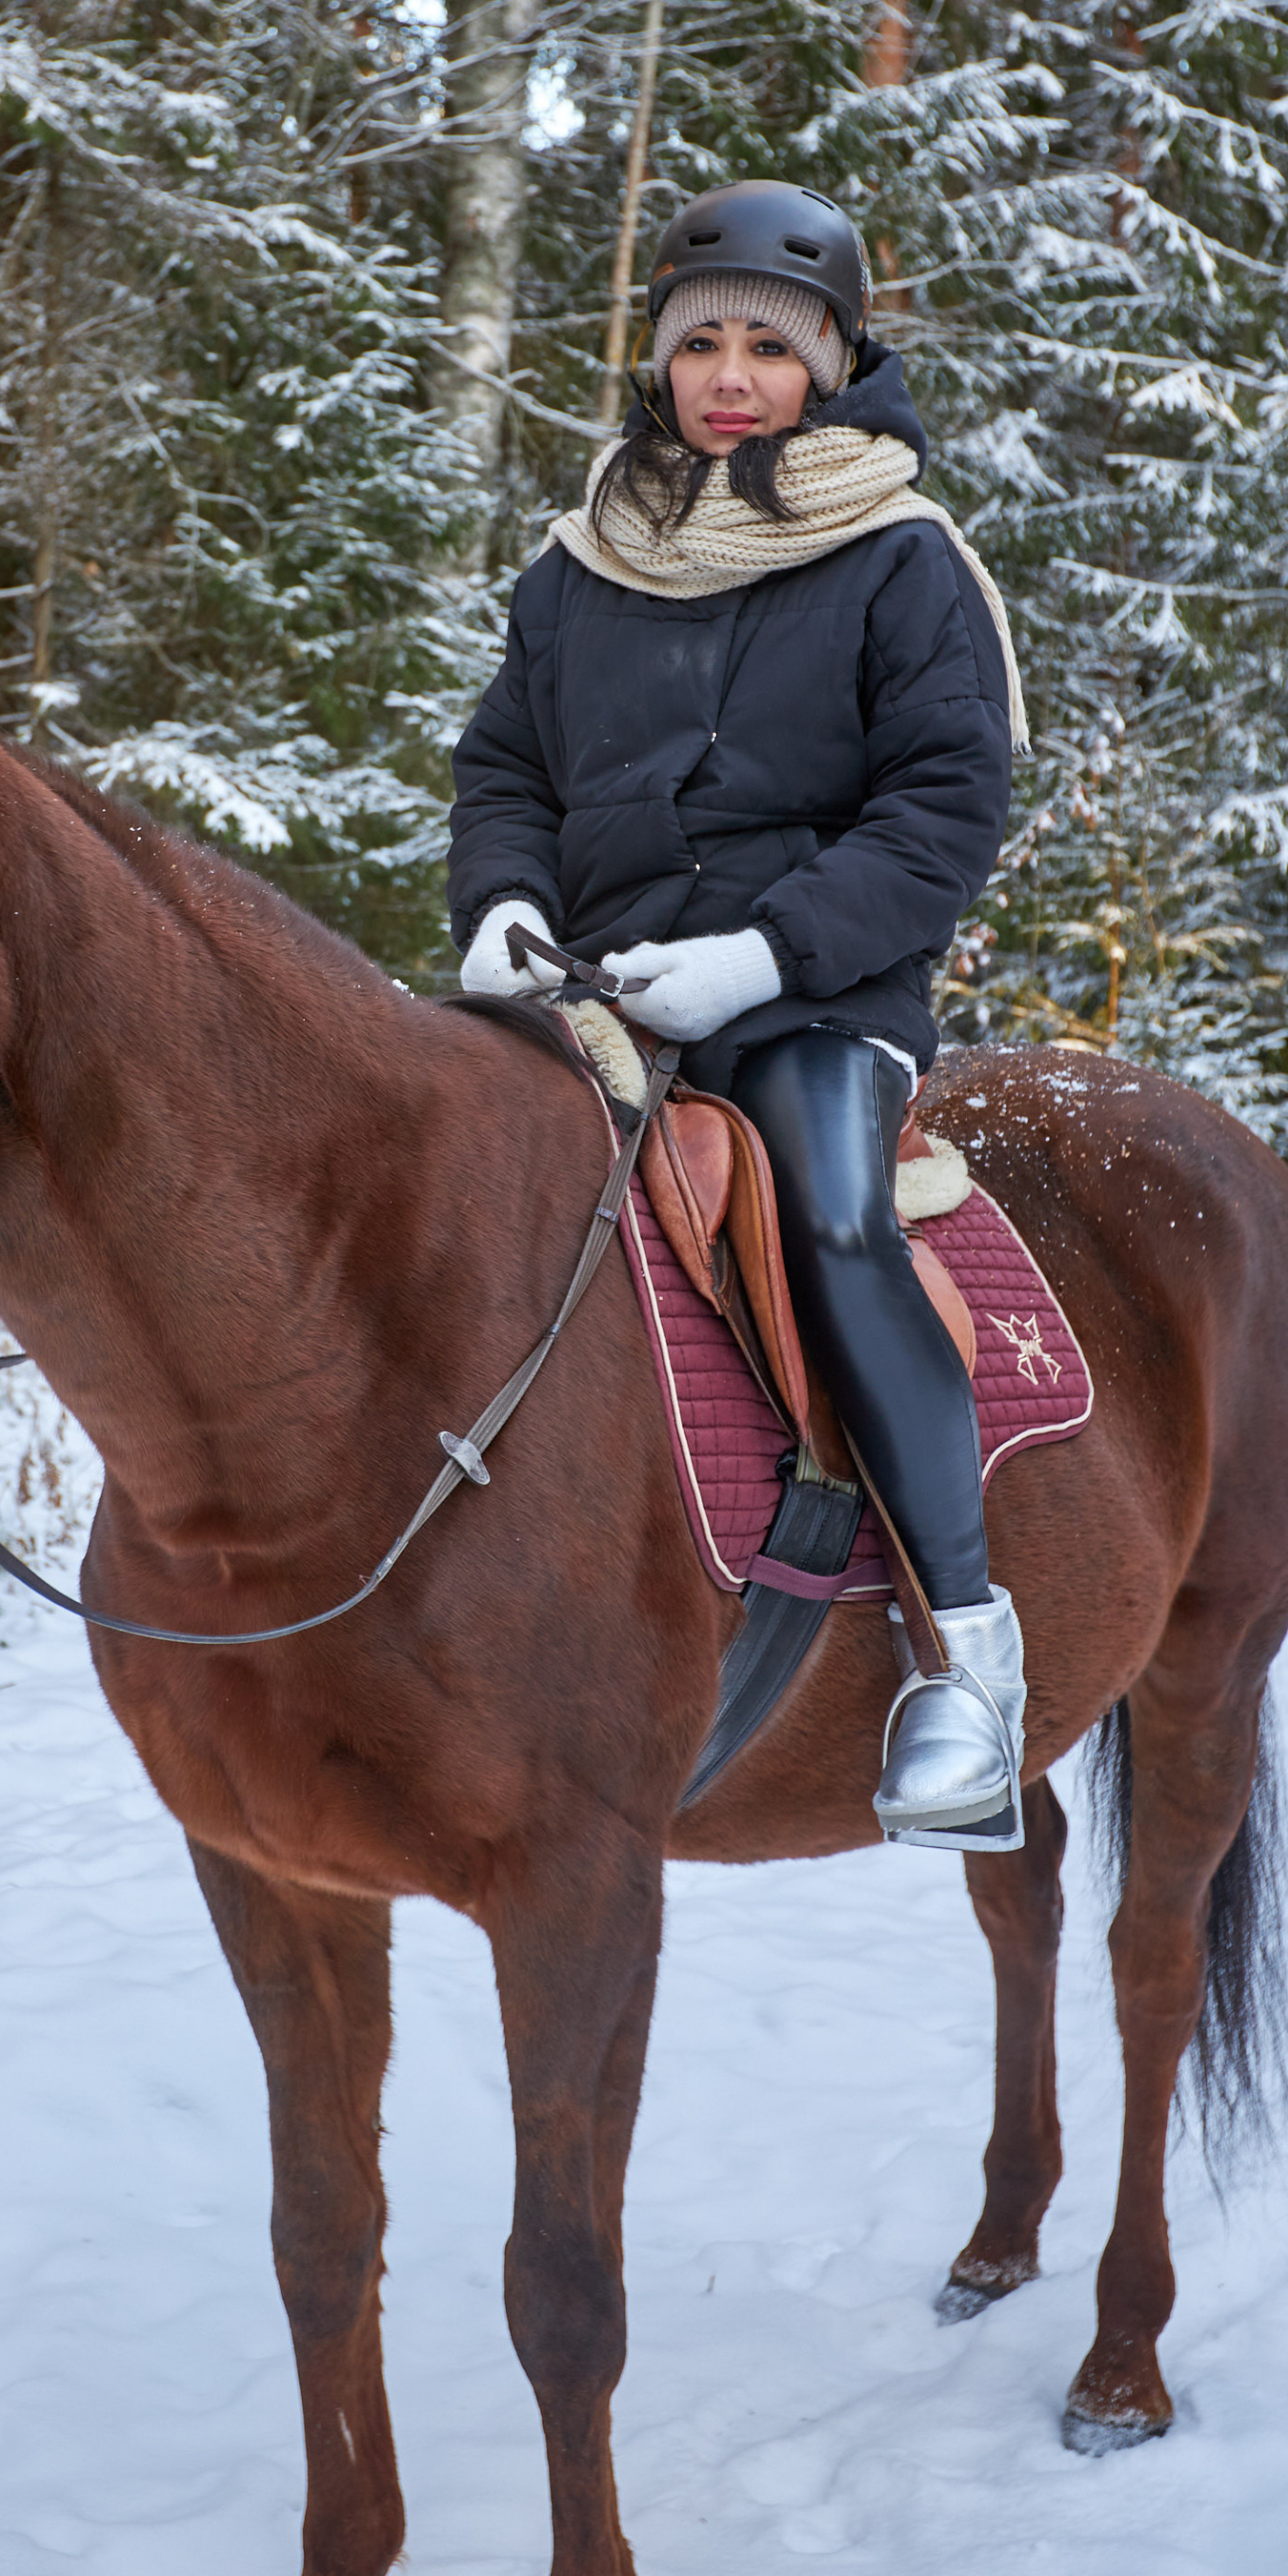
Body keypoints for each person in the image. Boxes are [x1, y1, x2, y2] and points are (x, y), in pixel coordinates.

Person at [448, 179, 1030, 1850]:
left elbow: (941, 811)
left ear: (832, 366)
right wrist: (503, 909)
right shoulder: (579, 567)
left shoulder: (902, 561)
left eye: (766, 349)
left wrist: (766, 958)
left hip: (811, 998)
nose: (727, 375)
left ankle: (967, 1669)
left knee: (836, 1225)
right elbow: (510, 771)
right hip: (595, 988)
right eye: (696, 341)